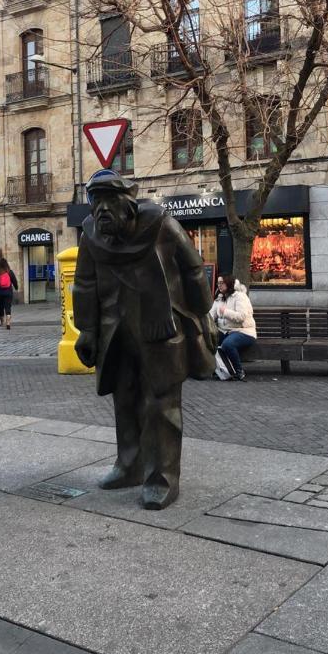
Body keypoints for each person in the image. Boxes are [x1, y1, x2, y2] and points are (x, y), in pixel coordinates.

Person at [73, 169, 216, 511]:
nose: (102, 209)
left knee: (161, 404)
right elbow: (84, 284)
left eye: (110, 201)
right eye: (96, 201)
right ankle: (130, 466)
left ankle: (162, 479)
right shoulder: (91, 235)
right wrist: (88, 331)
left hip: (160, 326)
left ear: (128, 205)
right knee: (124, 399)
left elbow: (194, 269)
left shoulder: (161, 225)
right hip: (114, 329)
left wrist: (203, 314)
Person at [210, 274, 257, 381]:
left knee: (228, 344)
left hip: (243, 331)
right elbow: (211, 315)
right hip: (226, 331)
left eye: (222, 283)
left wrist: (225, 312)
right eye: (218, 283)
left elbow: (241, 317)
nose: (219, 285)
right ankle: (219, 369)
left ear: (229, 283)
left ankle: (239, 371)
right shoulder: (220, 298)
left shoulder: (240, 297)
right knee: (209, 339)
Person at [0, 258, 18, 329]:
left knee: (0, 307)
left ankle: (2, 322)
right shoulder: (10, 272)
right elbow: (14, 281)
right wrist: (16, 288)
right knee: (8, 307)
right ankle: (8, 322)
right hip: (8, 293)